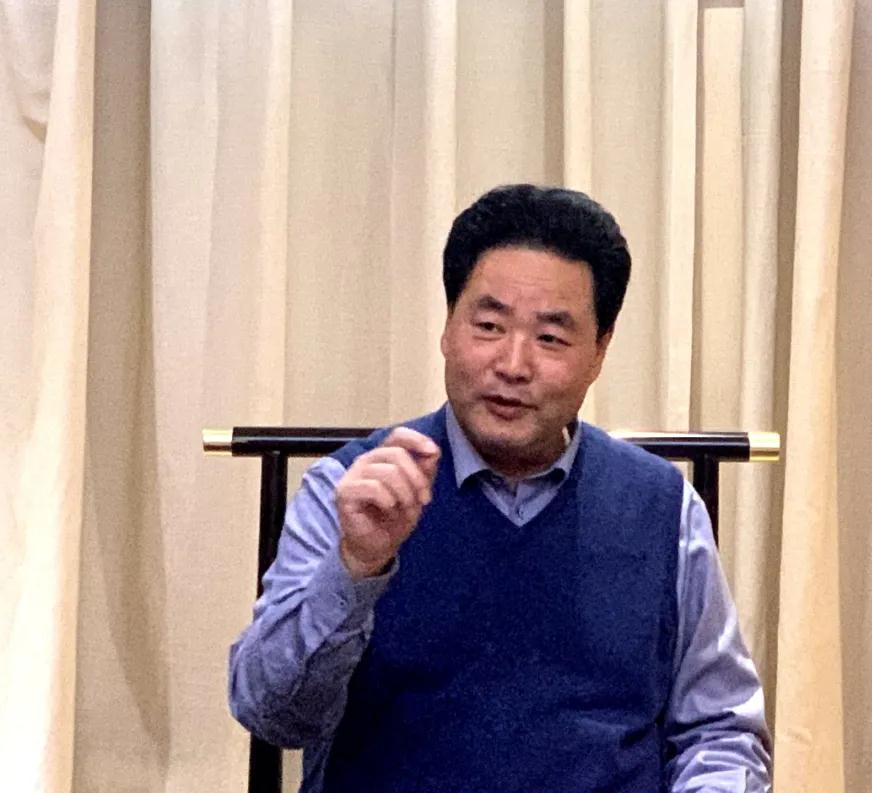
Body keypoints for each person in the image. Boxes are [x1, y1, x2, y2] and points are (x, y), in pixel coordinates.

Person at [229, 184, 772, 792]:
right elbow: (273, 715)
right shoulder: (353, 490)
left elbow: (720, 732)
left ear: (599, 351)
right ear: (447, 329)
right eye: (489, 325)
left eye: (550, 338)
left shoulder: (662, 508)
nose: (513, 365)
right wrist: (355, 568)